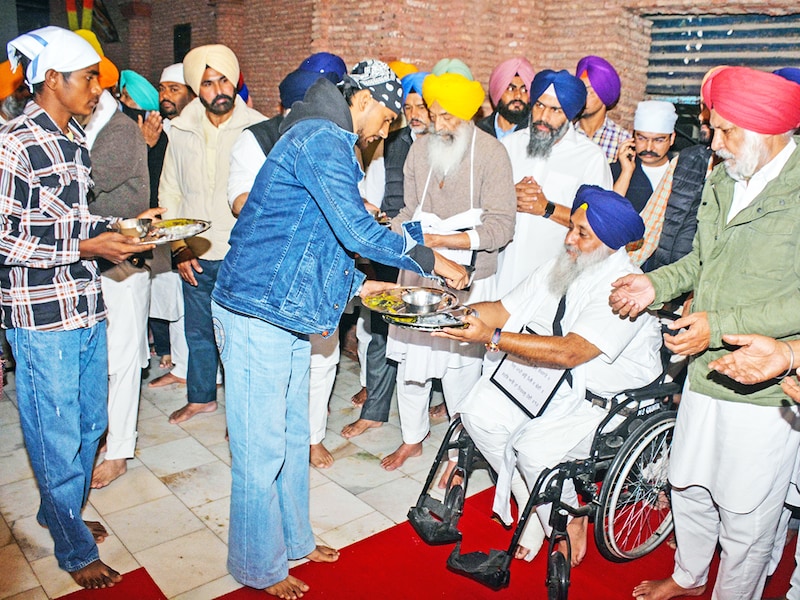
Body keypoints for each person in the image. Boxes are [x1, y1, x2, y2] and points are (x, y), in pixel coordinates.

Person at [211, 59, 468, 599]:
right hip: (255, 307)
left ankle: (294, 540)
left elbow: (317, 238)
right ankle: (258, 566)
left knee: (291, 437)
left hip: (282, 309)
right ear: (365, 101)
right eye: (388, 121)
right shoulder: (322, 138)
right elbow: (354, 231)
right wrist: (429, 258)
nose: (384, 134)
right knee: (260, 452)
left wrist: (360, 285)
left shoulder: (327, 138)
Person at [609, 66, 800, 600]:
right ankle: (689, 577)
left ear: (765, 129)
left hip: (766, 386)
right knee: (688, 484)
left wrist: (719, 326)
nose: (711, 144)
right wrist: (655, 284)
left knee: (746, 513)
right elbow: (700, 260)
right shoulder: (725, 178)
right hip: (704, 369)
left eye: (723, 131)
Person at [0, 26, 162, 589]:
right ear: (53, 80)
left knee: (91, 419)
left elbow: (72, 220)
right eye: (89, 78)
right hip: (41, 314)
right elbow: (6, 237)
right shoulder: (15, 143)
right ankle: (72, 547)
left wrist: (123, 226)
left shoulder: (71, 138)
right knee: (55, 432)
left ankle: (58, 510)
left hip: (85, 303)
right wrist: (87, 246)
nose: (99, 88)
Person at [437, 185, 661, 564]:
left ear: (610, 244)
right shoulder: (563, 265)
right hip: (551, 383)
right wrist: (449, 314)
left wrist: (492, 337)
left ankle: (569, 520)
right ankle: (533, 502)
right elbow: (502, 310)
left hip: (603, 405)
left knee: (532, 451)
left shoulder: (624, 287)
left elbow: (572, 351)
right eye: (571, 226)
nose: (569, 238)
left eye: (582, 233)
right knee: (476, 415)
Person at [381, 70, 517, 471]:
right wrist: (386, 234)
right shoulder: (419, 149)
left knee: (461, 370)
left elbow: (502, 227)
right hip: (419, 271)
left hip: (470, 277)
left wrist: (445, 241)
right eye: (433, 114)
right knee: (411, 366)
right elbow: (408, 211)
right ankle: (412, 438)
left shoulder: (491, 153)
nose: (438, 125)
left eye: (447, 117)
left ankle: (460, 453)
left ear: (468, 116)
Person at [227, 57, 347, 469]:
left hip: (322, 266)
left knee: (323, 357)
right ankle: (261, 428)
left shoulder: (336, 138)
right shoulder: (256, 139)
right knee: (270, 363)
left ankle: (312, 438)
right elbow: (241, 201)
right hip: (271, 269)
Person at [159, 44, 266, 424]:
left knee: (242, 340)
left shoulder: (259, 129)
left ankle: (242, 414)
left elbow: (269, 198)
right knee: (199, 332)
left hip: (242, 254)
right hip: (196, 253)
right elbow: (170, 193)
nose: (218, 90)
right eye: (207, 83)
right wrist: (179, 247)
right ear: (195, 88)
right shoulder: (180, 129)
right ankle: (201, 397)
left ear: (235, 81)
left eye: (224, 80)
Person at [342, 69, 432, 440]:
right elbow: (387, 196)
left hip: (435, 250)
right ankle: (376, 410)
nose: (415, 114)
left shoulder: (448, 145)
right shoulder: (393, 141)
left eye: (421, 107)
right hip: (393, 245)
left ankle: (426, 421)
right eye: (408, 108)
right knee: (381, 326)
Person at [84, 81, 151, 489]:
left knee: (122, 363)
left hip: (123, 264)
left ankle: (120, 451)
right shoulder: (89, 125)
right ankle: (104, 434)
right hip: (96, 261)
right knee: (101, 360)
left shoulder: (119, 130)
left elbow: (82, 185)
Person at [495, 68, 612, 297]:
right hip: (500, 274)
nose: (543, 117)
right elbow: (479, 201)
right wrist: (507, 196)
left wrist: (547, 208)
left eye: (555, 110)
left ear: (570, 114)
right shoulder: (509, 146)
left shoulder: (590, 158)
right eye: (539, 105)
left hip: (552, 283)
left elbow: (600, 226)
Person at [611, 100, 678, 265]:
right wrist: (626, 172)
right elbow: (608, 215)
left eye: (658, 140)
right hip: (621, 262)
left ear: (672, 139)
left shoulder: (680, 173)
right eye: (642, 138)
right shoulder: (617, 170)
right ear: (633, 136)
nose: (649, 147)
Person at [574, 55, 631, 163]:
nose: (582, 97)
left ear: (604, 94)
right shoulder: (564, 133)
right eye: (580, 90)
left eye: (589, 92)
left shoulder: (621, 140)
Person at [476, 57, 535, 140]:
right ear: (498, 92)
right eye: (511, 89)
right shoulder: (480, 131)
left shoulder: (534, 133)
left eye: (524, 90)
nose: (518, 95)